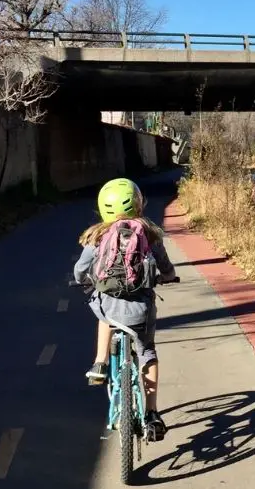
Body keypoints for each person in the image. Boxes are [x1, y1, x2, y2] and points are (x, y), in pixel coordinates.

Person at [73, 177, 177, 441]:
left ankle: (100, 363)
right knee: (147, 351)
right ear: (139, 204)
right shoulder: (150, 234)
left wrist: (85, 281)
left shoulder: (96, 236)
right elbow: (166, 268)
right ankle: (152, 414)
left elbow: (80, 271)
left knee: (103, 313)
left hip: (109, 306)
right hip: (141, 309)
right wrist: (167, 276)